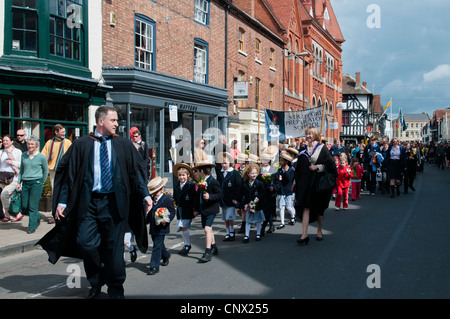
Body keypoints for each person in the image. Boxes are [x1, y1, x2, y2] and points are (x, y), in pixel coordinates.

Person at [37, 106, 153, 299]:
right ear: (101, 121)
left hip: (114, 204)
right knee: (85, 243)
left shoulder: (123, 144)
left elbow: (136, 174)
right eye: (113, 120)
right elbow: (68, 175)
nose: (117, 124)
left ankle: (116, 288)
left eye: (117, 121)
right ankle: (96, 280)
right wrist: (62, 201)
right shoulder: (82, 144)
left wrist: (145, 195)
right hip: (89, 204)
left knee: (114, 250)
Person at [293, 126, 337, 244]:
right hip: (306, 184)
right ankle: (304, 235)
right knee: (306, 208)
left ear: (316, 135)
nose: (308, 136)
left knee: (319, 209)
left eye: (310, 134)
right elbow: (299, 169)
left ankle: (319, 230)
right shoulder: (303, 150)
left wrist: (318, 167)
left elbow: (331, 166)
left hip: (319, 183)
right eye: (307, 134)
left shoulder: (322, 149)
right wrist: (295, 182)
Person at [15, 136, 49, 233]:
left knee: (33, 206)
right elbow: (21, 170)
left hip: (36, 183)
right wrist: (18, 182)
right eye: (28, 144)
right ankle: (38, 216)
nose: (30, 146)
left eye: (32, 144)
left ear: (36, 145)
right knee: (25, 206)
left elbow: (46, 171)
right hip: (25, 183)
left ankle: (31, 227)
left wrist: (41, 182)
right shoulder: (24, 155)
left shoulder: (41, 157)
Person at [41, 124, 72, 224]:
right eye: (62, 132)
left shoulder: (67, 142)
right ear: (56, 132)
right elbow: (43, 156)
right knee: (56, 192)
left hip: (64, 170)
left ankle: (64, 212)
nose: (64, 134)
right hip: (53, 170)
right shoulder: (49, 143)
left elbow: (71, 156)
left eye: (64, 132)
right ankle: (54, 214)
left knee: (65, 191)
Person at [193, 160, 223, 263]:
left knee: (207, 229)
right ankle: (214, 246)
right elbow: (197, 197)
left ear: (201, 171)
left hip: (211, 209)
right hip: (203, 209)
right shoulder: (199, 182)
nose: (195, 174)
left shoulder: (213, 181)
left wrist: (210, 196)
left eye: (196, 171)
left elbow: (220, 195)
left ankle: (207, 252)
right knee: (208, 229)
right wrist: (196, 209)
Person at [146, 176, 176, 275]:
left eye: (156, 191)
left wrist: (167, 220)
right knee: (158, 244)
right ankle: (166, 255)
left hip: (162, 227)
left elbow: (172, 211)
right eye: (153, 192)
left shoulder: (167, 200)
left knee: (156, 246)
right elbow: (149, 212)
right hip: (153, 227)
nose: (154, 194)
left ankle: (154, 266)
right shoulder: (151, 200)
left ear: (162, 189)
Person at [173, 163, 198, 256]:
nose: (181, 177)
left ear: (188, 175)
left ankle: (187, 244)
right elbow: (175, 196)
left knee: (184, 227)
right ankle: (185, 244)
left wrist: (195, 209)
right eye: (180, 175)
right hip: (180, 210)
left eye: (183, 175)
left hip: (188, 209)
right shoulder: (176, 186)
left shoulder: (191, 186)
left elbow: (195, 198)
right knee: (182, 227)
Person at [216, 152, 242, 242]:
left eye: (226, 163)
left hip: (231, 198)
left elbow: (238, 186)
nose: (224, 165)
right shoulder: (220, 173)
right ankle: (227, 233)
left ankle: (232, 232)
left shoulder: (234, 173)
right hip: (223, 199)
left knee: (230, 217)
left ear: (230, 163)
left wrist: (236, 198)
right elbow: (218, 185)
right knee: (225, 218)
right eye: (222, 163)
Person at [241, 163, 265, 242]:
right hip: (248, 205)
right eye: (252, 173)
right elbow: (243, 195)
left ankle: (258, 234)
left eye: (255, 173)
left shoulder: (260, 183)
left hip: (258, 205)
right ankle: (246, 235)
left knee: (258, 220)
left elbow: (263, 193)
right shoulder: (245, 184)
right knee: (248, 220)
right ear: (248, 174)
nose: (254, 175)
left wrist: (258, 198)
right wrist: (244, 204)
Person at [0, 135, 22, 222]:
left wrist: (12, 162)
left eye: (7, 140)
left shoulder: (17, 152)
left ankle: (11, 214)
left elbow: (21, 164)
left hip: (14, 177)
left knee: (4, 195)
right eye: (4, 141)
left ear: (12, 141)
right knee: (8, 197)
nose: (5, 142)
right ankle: (11, 214)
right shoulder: (1, 152)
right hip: (3, 178)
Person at [273, 151, 296, 229]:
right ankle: (282, 223)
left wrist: (285, 172)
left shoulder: (291, 170)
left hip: (288, 191)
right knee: (281, 207)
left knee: (289, 207)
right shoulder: (279, 170)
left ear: (286, 162)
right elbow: (276, 178)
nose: (280, 162)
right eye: (280, 160)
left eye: (282, 161)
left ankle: (293, 216)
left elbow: (289, 179)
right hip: (281, 191)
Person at [258, 152, 277, 235]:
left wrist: (274, 188)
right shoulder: (259, 170)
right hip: (262, 194)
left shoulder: (274, 170)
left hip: (271, 194)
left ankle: (263, 227)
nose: (264, 162)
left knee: (268, 210)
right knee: (265, 210)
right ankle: (271, 225)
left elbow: (278, 182)